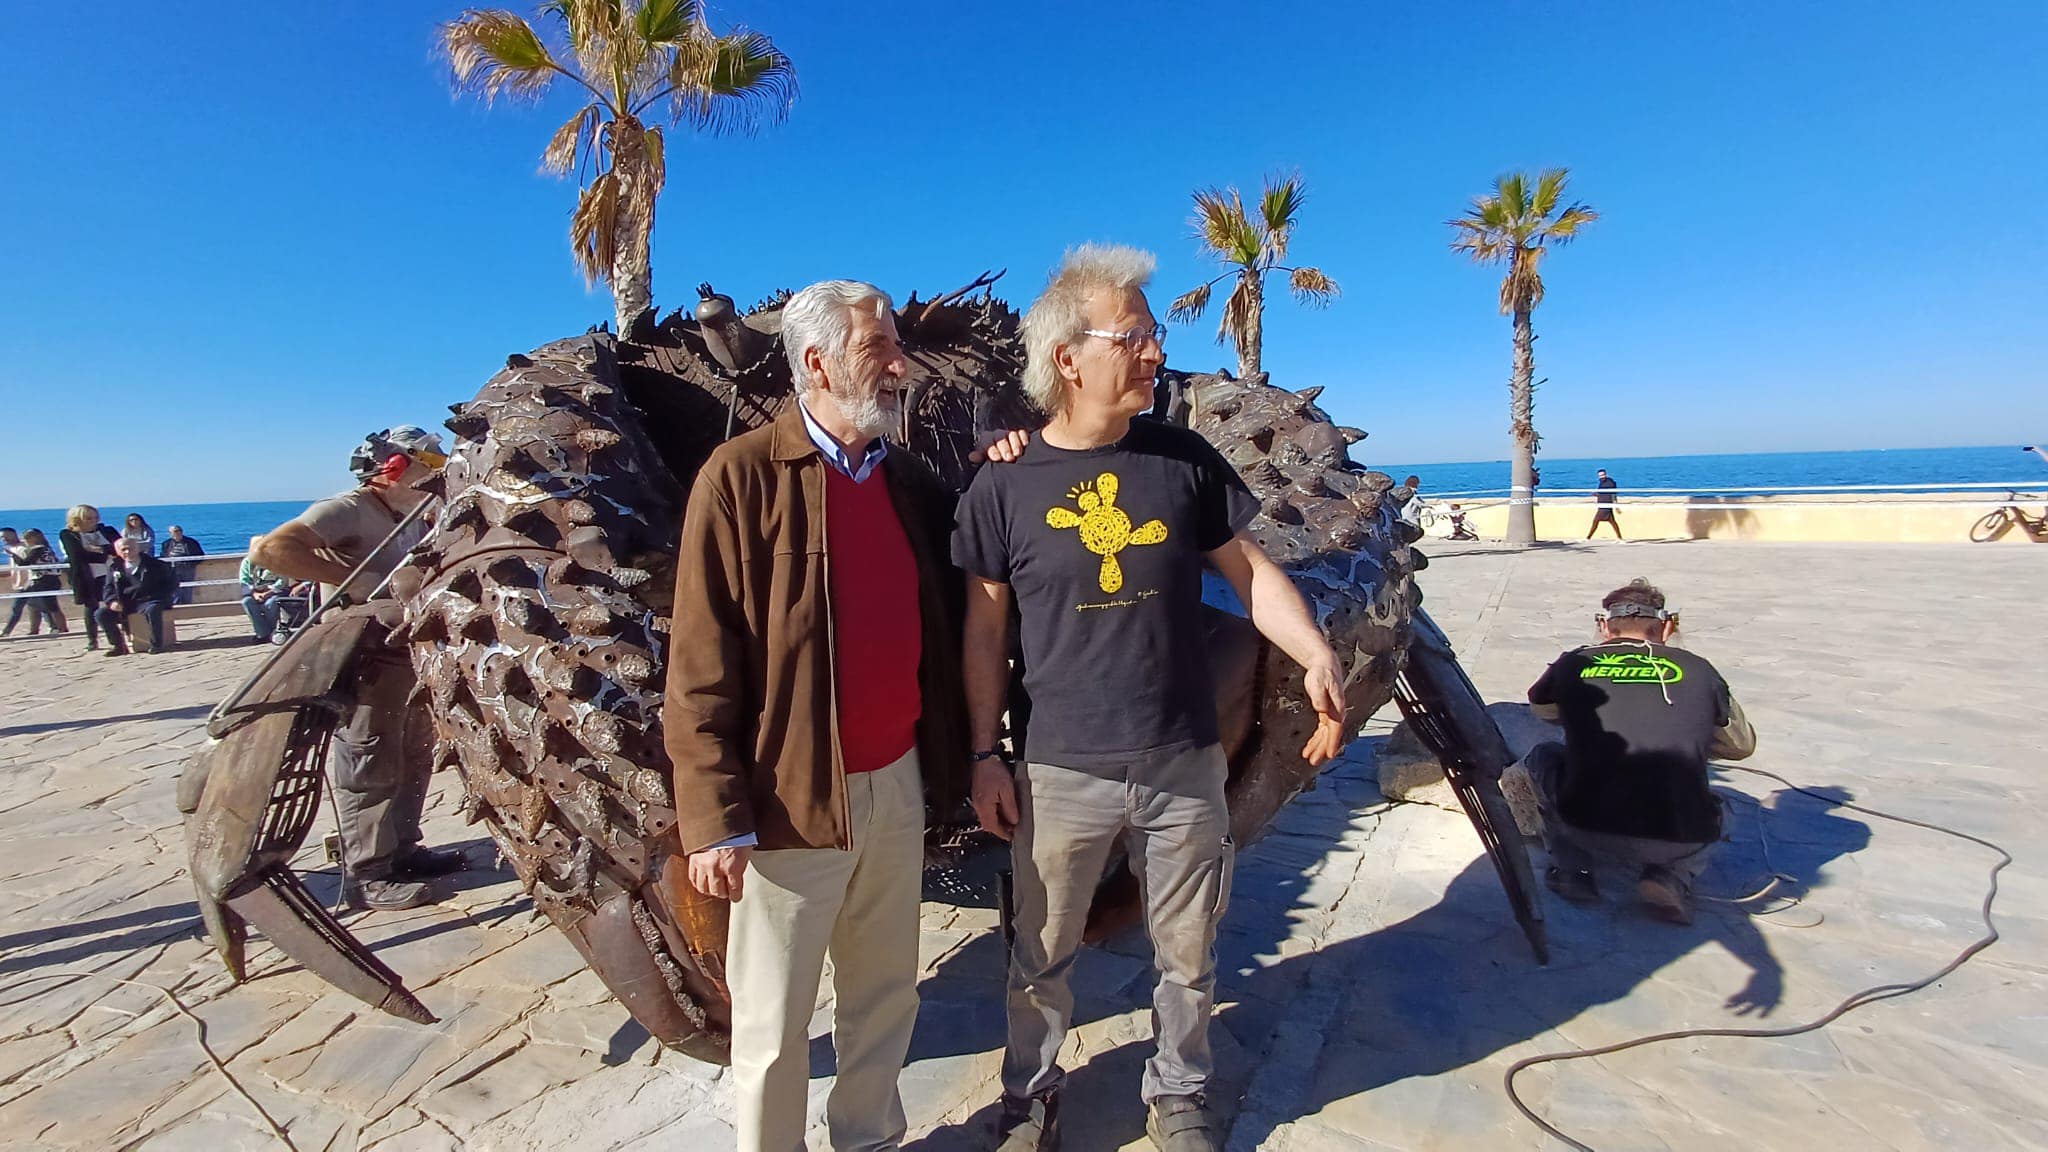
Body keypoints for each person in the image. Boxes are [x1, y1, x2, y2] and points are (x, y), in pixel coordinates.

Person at [955, 245, 1348, 1152]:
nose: (1153, 352)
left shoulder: (1182, 459)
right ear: (1069, 358)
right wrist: (985, 755)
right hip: (1059, 766)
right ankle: (1031, 1096)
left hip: (1183, 760)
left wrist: (1315, 651)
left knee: (1189, 954)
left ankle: (1179, 1093)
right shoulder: (1001, 484)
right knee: (1039, 958)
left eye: (1153, 333)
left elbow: (1252, 576)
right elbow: (982, 633)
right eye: (1132, 336)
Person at [665, 280, 971, 1152]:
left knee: (886, 996)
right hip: (791, 800)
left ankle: (868, 1139)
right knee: (773, 1027)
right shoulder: (740, 477)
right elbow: (699, 667)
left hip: (897, 783)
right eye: (880, 347)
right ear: (817, 360)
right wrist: (713, 821)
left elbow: (982, 574)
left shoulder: (909, 481)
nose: (901, 364)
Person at [251, 424, 466, 911]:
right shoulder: (347, 509)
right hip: (365, 657)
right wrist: (351, 583)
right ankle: (368, 872)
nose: (437, 469)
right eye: (429, 462)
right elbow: (271, 549)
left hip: (406, 655)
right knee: (369, 758)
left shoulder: (414, 514)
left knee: (413, 752)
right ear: (394, 465)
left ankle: (404, 849)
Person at [1516, 578, 1757, 925]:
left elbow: (1545, 713)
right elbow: (1741, 746)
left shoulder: (1572, 663)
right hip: (1679, 837)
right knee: (1724, 807)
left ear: (1603, 626)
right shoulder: (1701, 669)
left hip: (1584, 825)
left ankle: (1574, 868)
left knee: (1543, 756)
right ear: (1668, 625)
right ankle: (1668, 877)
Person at [96, 538, 179, 656]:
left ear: (138, 548)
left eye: (130, 548)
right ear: (118, 552)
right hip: (126, 602)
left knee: (153, 609)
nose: (127, 552)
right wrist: (112, 601)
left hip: (149, 600)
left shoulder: (155, 565)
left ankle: (156, 644)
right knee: (101, 614)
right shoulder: (115, 567)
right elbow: (108, 588)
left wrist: (160, 597)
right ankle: (118, 646)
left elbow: (172, 582)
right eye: (123, 549)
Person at [58, 505, 124, 652]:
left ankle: (120, 638)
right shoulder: (68, 534)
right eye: (88, 518)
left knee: (116, 602)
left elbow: (120, 547)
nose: (93, 521)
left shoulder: (107, 530)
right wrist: (104, 554)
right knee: (91, 607)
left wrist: (99, 550)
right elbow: (77, 555)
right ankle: (92, 639)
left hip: (113, 573)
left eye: (95, 517)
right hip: (87, 576)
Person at [2, 529, 68, 637]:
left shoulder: (37, 549)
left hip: (43, 580)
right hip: (50, 579)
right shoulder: (46, 549)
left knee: (48, 606)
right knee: (43, 605)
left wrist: (12, 555)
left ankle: (59, 628)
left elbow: (24, 563)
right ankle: (47, 628)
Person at [238, 541, 303, 644]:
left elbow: (281, 582)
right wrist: (255, 594)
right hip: (254, 592)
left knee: (270, 603)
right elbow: (244, 581)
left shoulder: (277, 561)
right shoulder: (247, 562)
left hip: (275, 592)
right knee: (247, 602)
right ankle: (263, 633)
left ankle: (272, 632)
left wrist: (267, 593)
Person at [159, 525, 206, 606]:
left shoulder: (191, 542)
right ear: (170, 533)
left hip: (187, 568)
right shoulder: (166, 543)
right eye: (175, 531)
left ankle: (187, 606)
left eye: (179, 530)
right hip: (173, 569)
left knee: (187, 589)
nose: (178, 533)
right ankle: (176, 606)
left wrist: (191, 564)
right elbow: (163, 556)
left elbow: (200, 555)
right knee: (174, 589)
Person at [1587, 468, 1622, 539]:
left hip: (1606, 504)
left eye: (1603, 475)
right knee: (1612, 522)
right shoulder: (1602, 482)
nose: (1601, 477)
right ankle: (1620, 538)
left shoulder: (1610, 482)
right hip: (1603, 504)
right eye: (1600, 475)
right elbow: (1603, 493)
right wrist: (1596, 494)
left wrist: (1616, 506)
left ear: (1606, 474)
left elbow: (1613, 494)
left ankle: (1588, 538)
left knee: (1596, 521)